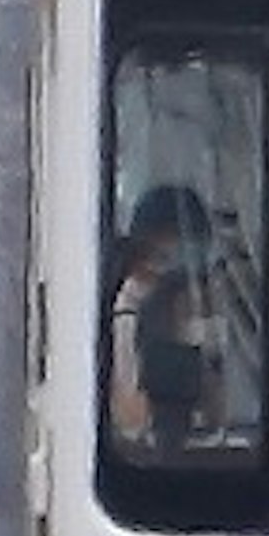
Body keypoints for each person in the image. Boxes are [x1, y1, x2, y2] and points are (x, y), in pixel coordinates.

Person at [105, 183, 220, 447]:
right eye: (165, 255)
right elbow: (130, 418)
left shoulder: (204, 307)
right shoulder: (124, 311)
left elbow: (218, 413)